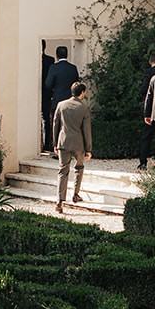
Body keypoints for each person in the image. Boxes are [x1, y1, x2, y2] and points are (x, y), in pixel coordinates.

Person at [52, 81, 93, 213]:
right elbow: (87, 130)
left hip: (63, 142)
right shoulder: (84, 108)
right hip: (78, 144)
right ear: (82, 93)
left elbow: (55, 124)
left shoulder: (61, 105)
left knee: (62, 171)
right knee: (79, 167)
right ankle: (75, 194)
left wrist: (54, 143)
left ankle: (59, 201)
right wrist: (88, 149)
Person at [43, 46, 79, 155]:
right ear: (67, 55)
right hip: (71, 100)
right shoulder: (73, 68)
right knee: (70, 125)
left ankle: (59, 149)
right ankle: (71, 148)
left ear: (57, 55)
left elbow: (48, 84)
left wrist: (53, 92)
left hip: (58, 100)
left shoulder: (54, 68)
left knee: (57, 125)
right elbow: (76, 82)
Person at [138, 50, 155, 170]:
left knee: (147, 136)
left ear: (150, 62)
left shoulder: (148, 73)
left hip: (151, 107)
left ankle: (143, 162)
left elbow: (143, 90)